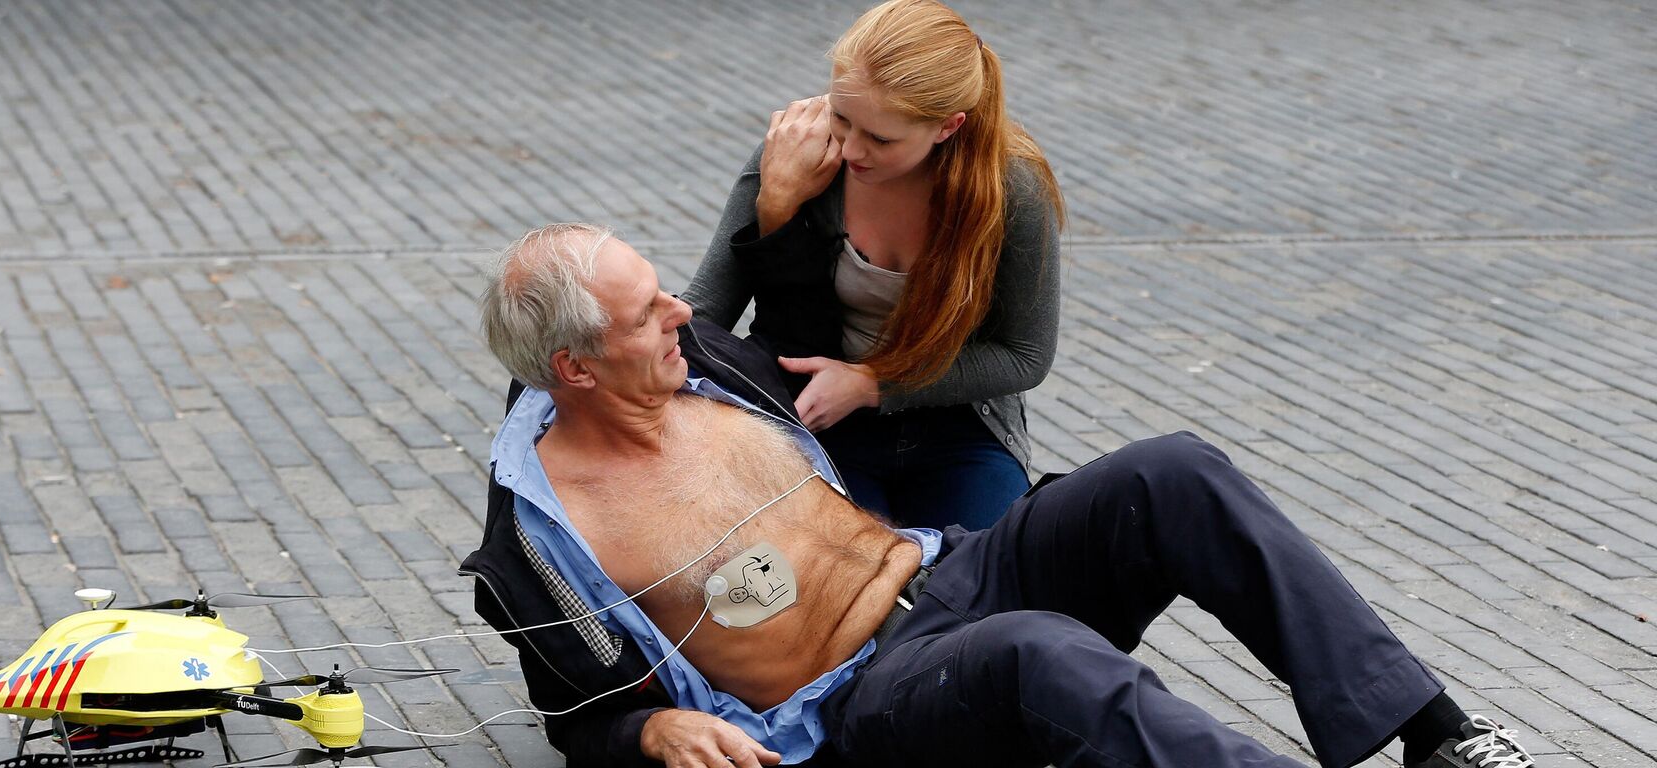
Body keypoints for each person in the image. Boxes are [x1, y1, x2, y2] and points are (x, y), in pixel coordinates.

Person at [464, 223, 1538, 768]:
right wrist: (650, 739)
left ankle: (1436, 736)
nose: (681, 307)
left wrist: (780, 203)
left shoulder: (707, 366)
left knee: (1172, 471)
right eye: (646, 311)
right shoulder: (546, 540)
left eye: (665, 289)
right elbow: (579, 720)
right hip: (866, 700)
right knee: (1040, 651)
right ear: (575, 371)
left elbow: (788, 292)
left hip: (948, 568)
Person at [682, 0, 1062, 530]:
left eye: (880, 138)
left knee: (984, 581)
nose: (850, 148)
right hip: (822, 420)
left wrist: (871, 383)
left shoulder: (1010, 189)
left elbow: (1024, 357)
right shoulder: (798, 153)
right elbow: (703, 315)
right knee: (838, 587)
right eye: (841, 116)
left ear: (947, 128)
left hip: (960, 425)